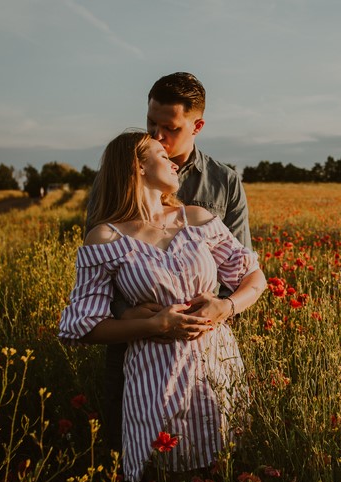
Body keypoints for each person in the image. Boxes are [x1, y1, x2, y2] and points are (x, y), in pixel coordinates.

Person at [60, 130, 266, 482]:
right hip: (155, 375)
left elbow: (255, 278)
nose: (172, 162)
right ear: (136, 166)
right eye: (160, 154)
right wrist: (156, 325)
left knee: (227, 471)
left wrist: (225, 306)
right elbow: (82, 326)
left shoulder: (197, 219)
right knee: (164, 478)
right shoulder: (107, 237)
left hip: (217, 365)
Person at [86, 72, 253, 451]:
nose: (157, 135)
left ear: (197, 126)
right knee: (134, 455)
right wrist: (133, 318)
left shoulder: (223, 182)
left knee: (218, 456)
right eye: (151, 124)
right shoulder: (116, 177)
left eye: (169, 128)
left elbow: (241, 272)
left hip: (203, 348)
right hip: (133, 348)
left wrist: (221, 308)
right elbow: (99, 266)